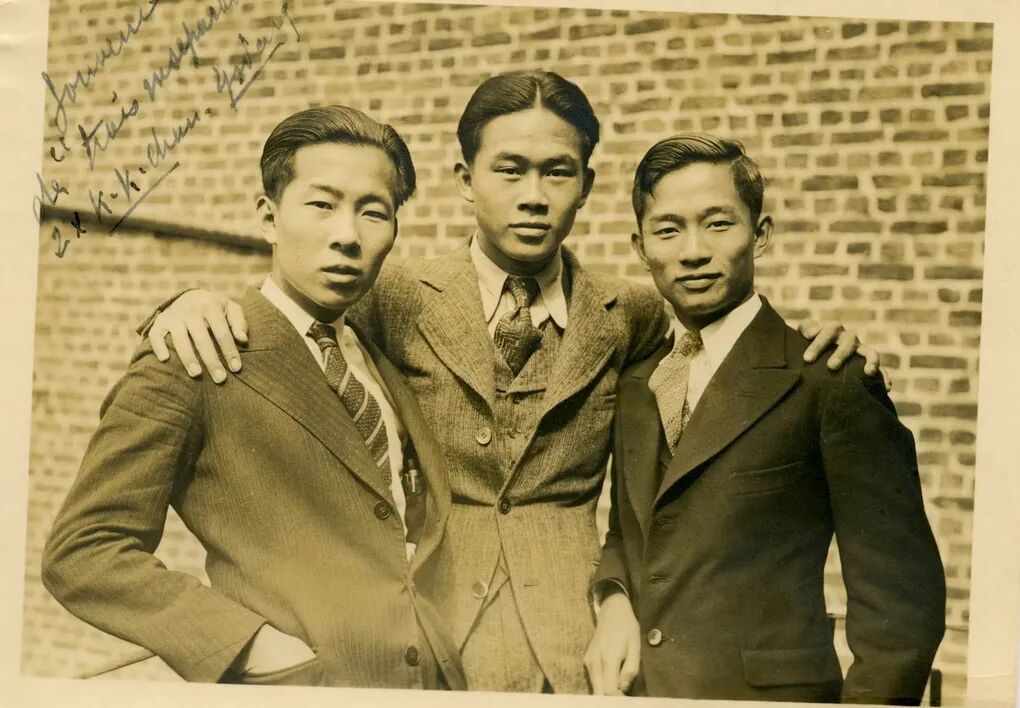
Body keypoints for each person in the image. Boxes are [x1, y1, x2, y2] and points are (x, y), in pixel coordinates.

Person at [139, 71, 879, 693]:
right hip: (426, 634)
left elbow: (712, 365)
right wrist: (183, 304)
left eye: (557, 172)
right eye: (509, 170)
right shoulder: (393, 296)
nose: (533, 195)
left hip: (579, 644)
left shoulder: (630, 314)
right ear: (466, 182)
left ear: (585, 185)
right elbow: (291, 310)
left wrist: (824, 344)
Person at [41, 105, 465, 690]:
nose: (347, 235)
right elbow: (84, 550)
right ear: (268, 217)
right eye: (321, 205)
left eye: (374, 212)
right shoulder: (196, 354)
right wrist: (250, 645)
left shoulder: (379, 356)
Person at [584, 134, 945, 704]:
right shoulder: (639, 382)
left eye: (718, 224)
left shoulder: (828, 379)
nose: (693, 251)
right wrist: (614, 599)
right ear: (640, 246)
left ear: (761, 234)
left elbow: (901, 607)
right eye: (668, 229)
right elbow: (630, 535)